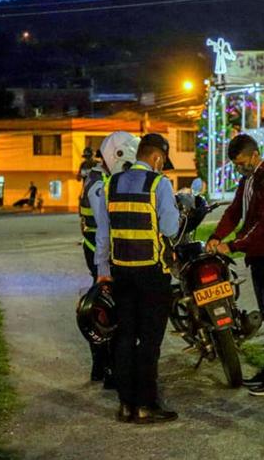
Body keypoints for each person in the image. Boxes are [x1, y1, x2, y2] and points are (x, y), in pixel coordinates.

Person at [102, 133, 180, 424]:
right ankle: (146, 405)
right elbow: (171, 229)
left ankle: (125, 404)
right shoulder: (159, 184)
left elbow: (102, 234)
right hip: (151, 273)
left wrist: (102, 271)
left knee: (124, 337)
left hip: (121, 272)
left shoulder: (112, 184)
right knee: (149, 341)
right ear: (157, 158)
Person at [206, 134, 264, 396]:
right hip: (259, 256)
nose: (239, 168)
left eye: (242, 162)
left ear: (255, 155)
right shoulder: (249, 180)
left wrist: (233, 245)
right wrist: (216, 236)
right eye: (235, 164)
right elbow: (234, 212)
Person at [79, 132, 139, 387]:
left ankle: (103, 368)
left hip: (101, 252)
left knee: (109, 309)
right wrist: (104, 266)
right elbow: (105, 226)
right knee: (106, 311)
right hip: (99, 253)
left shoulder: (100, 178)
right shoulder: (97, 184)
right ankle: (107, 369)